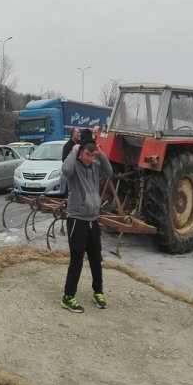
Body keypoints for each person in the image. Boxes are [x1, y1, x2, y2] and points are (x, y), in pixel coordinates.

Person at [60, 129, 112, 313]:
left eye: (92, 155)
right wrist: (74, 152)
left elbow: (109, 171)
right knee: (77, 259)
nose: (90, 158)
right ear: (81, 152)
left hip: (92, 220)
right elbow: (65, 169)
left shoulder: (95, 167)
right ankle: (68, 296)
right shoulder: (74, 168)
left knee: (96, 258)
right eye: (87, 154)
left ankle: (98, 292)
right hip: (77, 220)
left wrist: (101, 153)